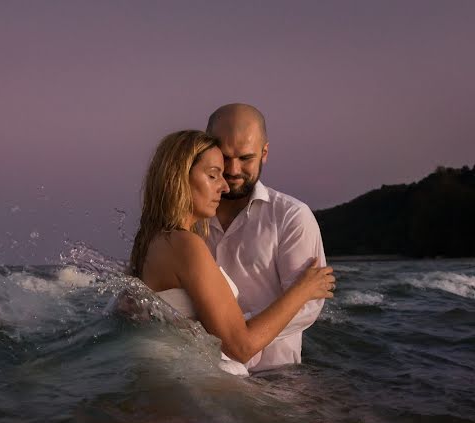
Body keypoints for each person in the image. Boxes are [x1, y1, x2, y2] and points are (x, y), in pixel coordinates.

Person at [129, 130, 334, 373]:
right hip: (210, 394)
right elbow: (241, 347)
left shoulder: (151, 241)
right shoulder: (185, 245)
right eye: (213, 175)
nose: (225, 186)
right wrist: (302, 290)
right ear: (179, 177)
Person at [205, 103, 327, 372]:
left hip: (275, 383)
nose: (233, 169)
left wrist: (233, 333)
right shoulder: (187, 219)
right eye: (224, 157)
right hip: (203, 382)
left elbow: (308, 305)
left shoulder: (292, 216)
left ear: (265, 153)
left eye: (245, 158)